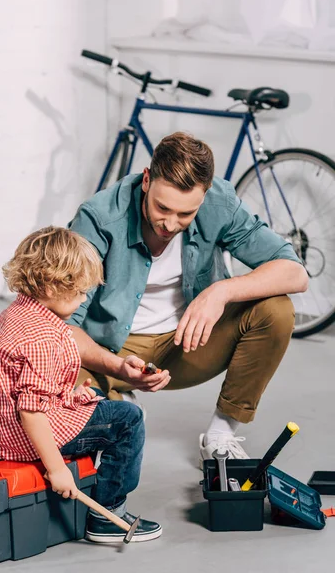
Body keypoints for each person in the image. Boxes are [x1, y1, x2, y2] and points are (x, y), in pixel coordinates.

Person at [68, 132, 308, 465]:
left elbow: (295, 273)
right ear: (147, 180)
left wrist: (220, 291)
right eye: (162, 208)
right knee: (53, 366)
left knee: (276, 310)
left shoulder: (219, 202)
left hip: (189, 344)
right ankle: (117, 402)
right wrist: (117, 366)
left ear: (204, 195)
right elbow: (63, 326)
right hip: (110, 352)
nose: (169, 224)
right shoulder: (98, 218)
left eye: (185, 214)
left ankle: (221, 435)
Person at [0, 226, 162, 543]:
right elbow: (31, 412)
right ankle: (107, 514)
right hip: (23, 437)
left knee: (98, 399)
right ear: (51, 286)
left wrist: (67, 396)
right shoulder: (42, 337)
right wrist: (57, 468)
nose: (84, 298)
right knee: (129, 419)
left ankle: (92, 477)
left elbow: (22, 388)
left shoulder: (15, 315)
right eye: (79, 292)